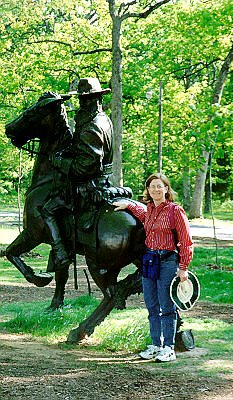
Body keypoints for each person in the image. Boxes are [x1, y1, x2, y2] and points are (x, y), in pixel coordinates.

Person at [113, 173, 194, 362]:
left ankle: (169, 348)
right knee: (151, 304)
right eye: (152, 187)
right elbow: (140, 213)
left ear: (166, 189)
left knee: (167, 306)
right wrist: (128, 204)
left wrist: (183, 267)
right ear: (148, 191)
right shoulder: (149, 209)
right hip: (149, 260)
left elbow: (186, 241)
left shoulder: (176, 211)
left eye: (160, 186)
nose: (156, 190)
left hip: (168, 261)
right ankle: (156, 345)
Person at [47, 77, 113, 268]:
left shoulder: (91, 126)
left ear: (97, 100)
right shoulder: (103, 119)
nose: (82, 104)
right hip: (102, 179)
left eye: (87, 100)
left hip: (89, 186)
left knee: (48, 210)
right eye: (81, 100)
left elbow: (83, 168)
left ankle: (61, 253)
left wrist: (59, 161)